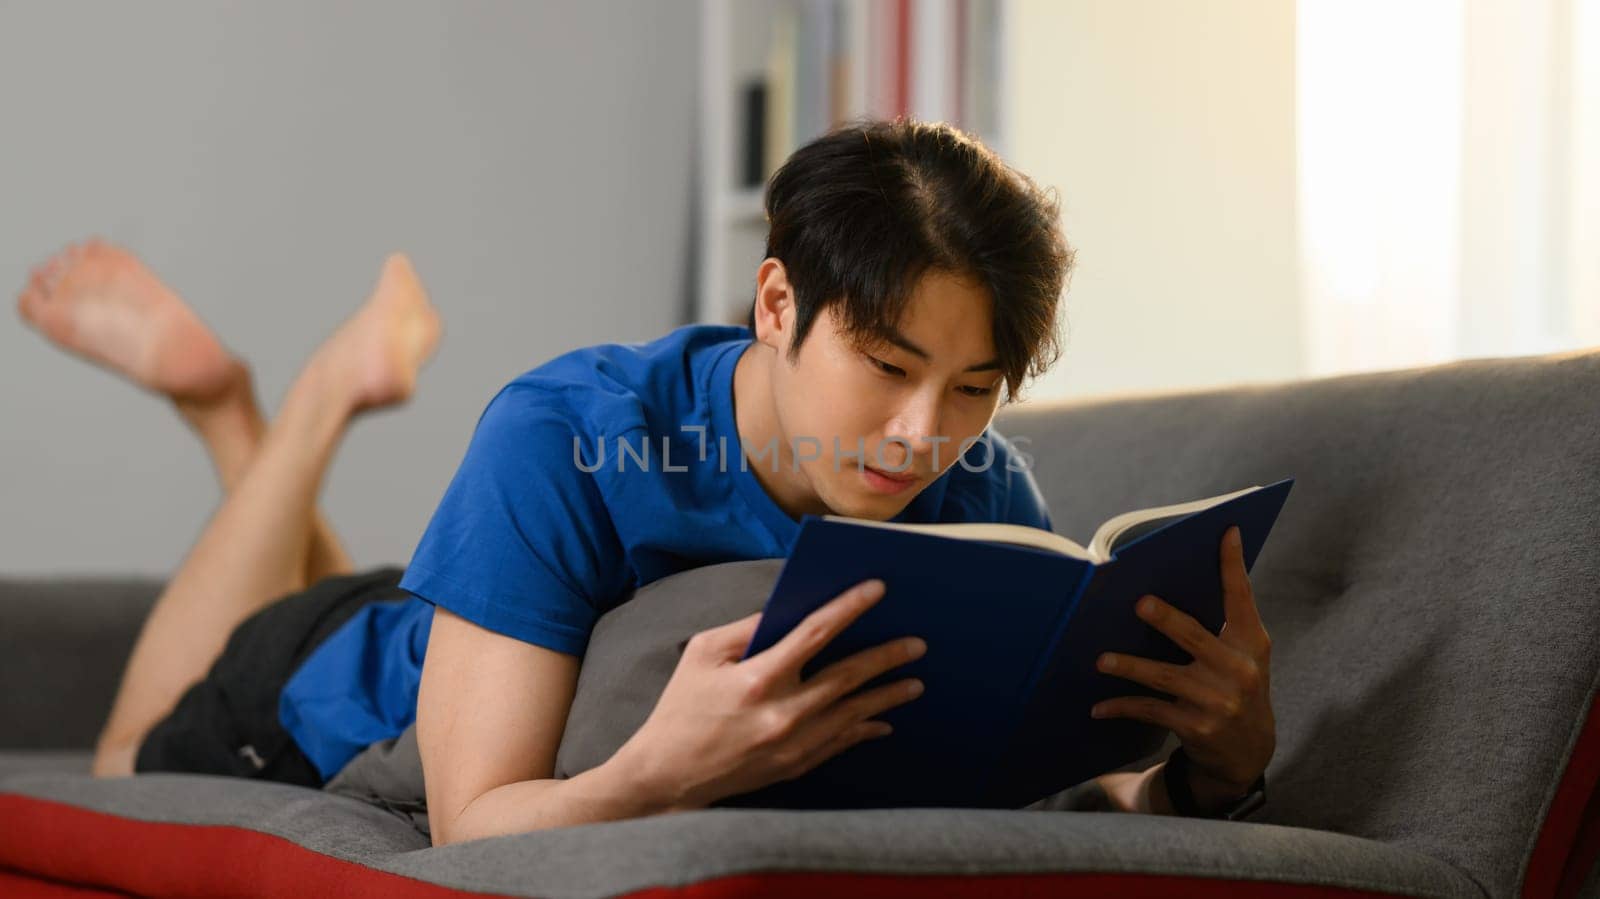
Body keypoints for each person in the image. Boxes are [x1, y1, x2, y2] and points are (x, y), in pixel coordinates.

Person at [16, 119, 1274, 848]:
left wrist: (1210, 768)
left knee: (426, 607)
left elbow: (1055, 794)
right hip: (309, 690)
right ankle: (255, 405)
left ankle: (270, 414)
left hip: (464, 616)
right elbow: (473, 828)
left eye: (971, 385)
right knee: (123, 755)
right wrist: (658, 771)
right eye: (887, 364)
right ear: (776, 302)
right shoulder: (567, 431)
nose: (918, 432)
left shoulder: (982, 489)